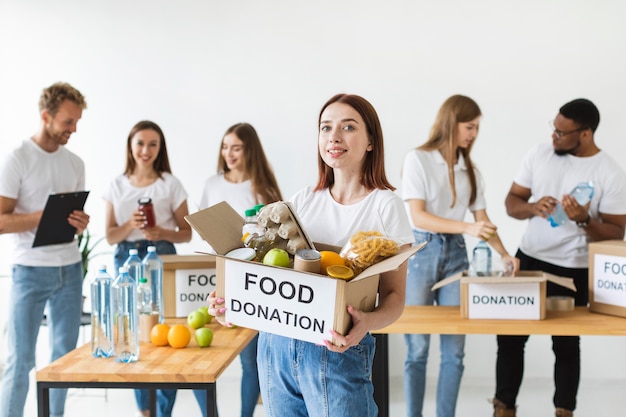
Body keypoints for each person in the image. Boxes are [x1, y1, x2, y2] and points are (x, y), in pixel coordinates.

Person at [208, 93, 415, 416]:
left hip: (337, 350)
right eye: (325, 128)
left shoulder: (386, 206)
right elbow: (273, 282)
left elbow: (395, 296)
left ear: (371, 141)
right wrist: (234, 305)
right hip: (276, 348)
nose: (334, 136)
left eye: (348, 127)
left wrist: (367, 323)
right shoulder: (301, 201)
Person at [493, 98, 626, 417]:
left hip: (574, 267)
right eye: (553, 129)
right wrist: (532, 207)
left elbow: (617, 232)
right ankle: (504, 408)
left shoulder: (609, 171)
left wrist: (584, 219)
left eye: (562, 133)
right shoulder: (538, 154)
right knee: (510, 339)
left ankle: (564, 411)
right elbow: (512, 202)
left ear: (585, 134)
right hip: (529, 258)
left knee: (565, 344)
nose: (554, 136)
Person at [401, 94, 519, 417]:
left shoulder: (471, 171)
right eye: (470, 126)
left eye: (477, 128)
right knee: (417, 349)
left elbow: (482, 220)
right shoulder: (418, 160)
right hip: (421, 252)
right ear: (451, 122)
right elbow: (418, 217)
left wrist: (505, 254)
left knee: (455, 352)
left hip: (456, 256)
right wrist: (465, 227)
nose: (474, 134)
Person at [0, 82, 89, 417]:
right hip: (30, 271)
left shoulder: (75, 162)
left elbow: (71, 218)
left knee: (63, 358)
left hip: (69, 269)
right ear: (46, 116)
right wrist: (44, 216)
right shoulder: (17, 159)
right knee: (20, 359)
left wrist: (79, 221)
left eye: (77, 122)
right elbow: (1, 220)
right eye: (68, 122)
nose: (73, 129)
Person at [103, 120, 192, 417]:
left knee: (164, 334)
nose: (145, 150)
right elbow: (111, 235)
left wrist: (161, 232)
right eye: (140, 143)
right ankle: (145, 410)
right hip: (125, 261)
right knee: (134, 334)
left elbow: (187, 232)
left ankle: (163, 411)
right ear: (130, 145)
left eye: (153, 144)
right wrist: (131, 224)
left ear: (160, 148)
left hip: (162, 256)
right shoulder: (116, 184)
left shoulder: (170, 183)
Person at [197, 122, 283, 417]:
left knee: (251, 358)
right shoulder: (212, 183)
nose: (229, 154)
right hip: (220, 274)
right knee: (207, 354)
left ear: (250, 150)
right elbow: (202, 229)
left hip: (253, 279)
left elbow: (278, 239)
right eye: (225, 147)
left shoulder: (264, 188)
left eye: (236, 147)